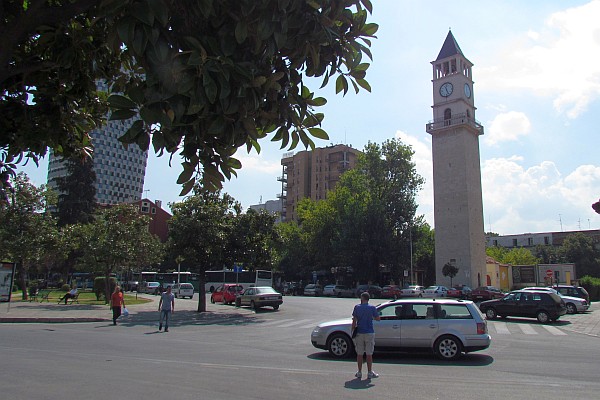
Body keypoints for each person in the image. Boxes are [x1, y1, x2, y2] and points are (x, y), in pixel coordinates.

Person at [351, 291, 381, 379]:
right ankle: (369, 372)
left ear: (362, 298)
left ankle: (359, 372)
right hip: (369, 332)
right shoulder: (372, 308)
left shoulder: (357, 307)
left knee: (359, 354)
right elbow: (378, 318)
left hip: (360, 332)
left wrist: (352, 331)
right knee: (369, 354)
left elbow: (354, 321)